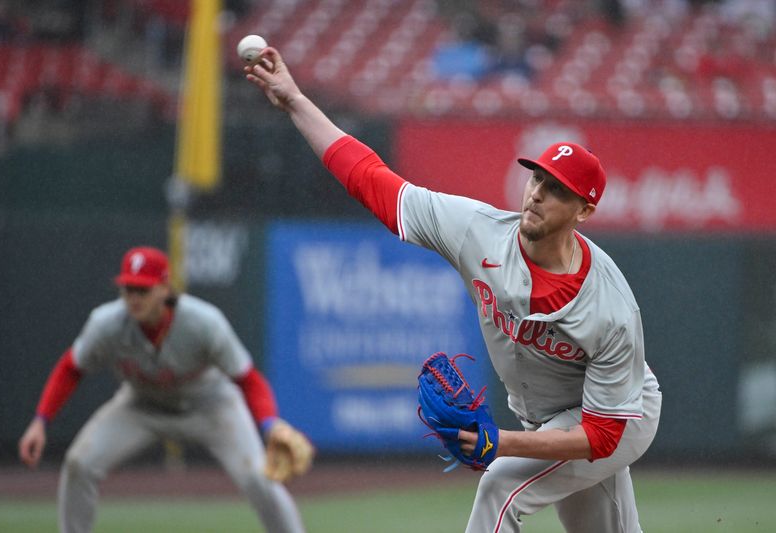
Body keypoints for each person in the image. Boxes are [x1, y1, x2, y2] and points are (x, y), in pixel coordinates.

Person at [244, 48, 662, 532]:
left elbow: (601, 438)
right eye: (537, 178)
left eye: (558, 190)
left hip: (615, 419)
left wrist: (499, 442)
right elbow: (373, 182)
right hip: (548, 422)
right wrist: (295, 100)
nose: (538, 194)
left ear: (584, 211)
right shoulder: (478, 232)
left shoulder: (610, 306)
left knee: (498, 486)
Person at [18, 246, 309, 533]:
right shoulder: (106, 323)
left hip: (211, 407)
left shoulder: (204, 322)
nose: (134, 298)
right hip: (141, 405)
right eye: (128, 289)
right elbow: (72, 367)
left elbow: (249, 379)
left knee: (260, 479)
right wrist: (40, 421)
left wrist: (269, 424)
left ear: (165, 288)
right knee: (79, 464)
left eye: (143, 290)